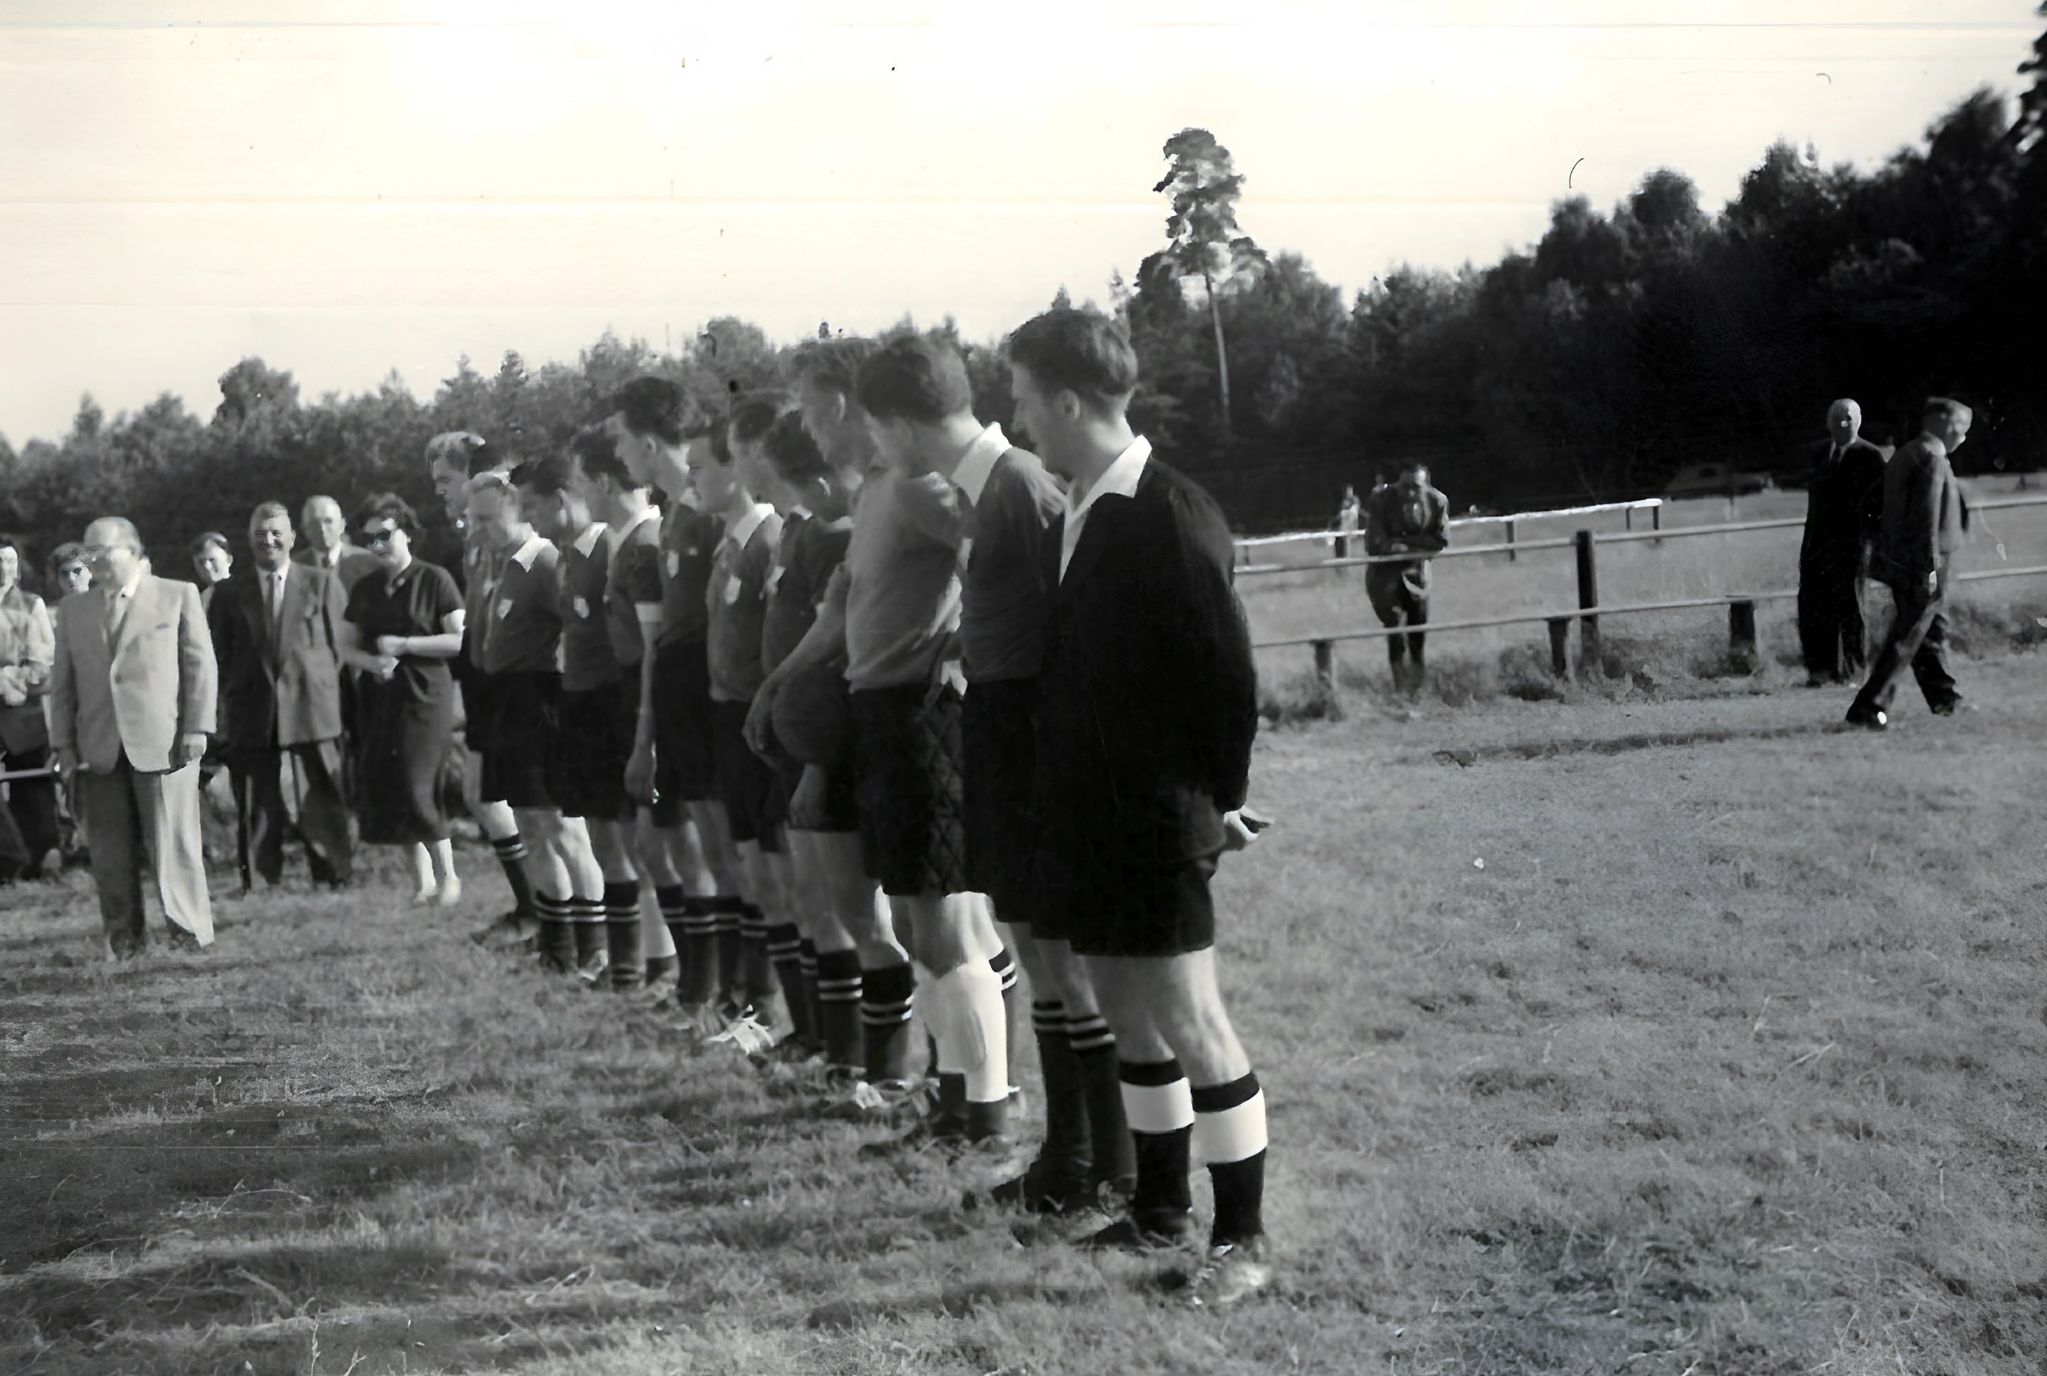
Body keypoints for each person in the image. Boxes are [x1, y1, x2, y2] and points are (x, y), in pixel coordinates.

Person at [1007, 308, 1271, 1307]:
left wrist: (1214, 802)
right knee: (1125, 1009)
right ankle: (1159, 1208)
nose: (1020, 415)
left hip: (1156, 814)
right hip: (1095, 813)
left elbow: (1226, 679)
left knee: (1190, 1016)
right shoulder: (1086, 498)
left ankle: (1242, 1239)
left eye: (1026, 397)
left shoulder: (1169, 509)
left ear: (1068, 400)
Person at [859, 333, 1134, 1212]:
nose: (876, 449)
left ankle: (1107, 1169)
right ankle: (1069, 1159)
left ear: (898, 425)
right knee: (1041, 962)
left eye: (874, 429)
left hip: (1040, 748)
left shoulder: (1013, 482)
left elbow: (1083, 619)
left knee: (1065, 969)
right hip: (1004, 737)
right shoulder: (984, 490)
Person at [756, 337, 1017, 1156]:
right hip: (881, 718)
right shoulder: (873, 492)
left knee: (942, 928)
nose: (803, 422)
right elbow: (840, 610)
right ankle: (951, 1102)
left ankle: (987, 1117)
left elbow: (1003, 549)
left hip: (922, 716)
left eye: (805, 403)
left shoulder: (915, 486)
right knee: (914, 925)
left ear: (839, 404)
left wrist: (962, 651)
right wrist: (778, 684)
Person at [746, 397, 921, 1102]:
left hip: (840, 748)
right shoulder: (808, 533)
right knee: (839, 910)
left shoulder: (836, 533)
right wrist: (773, 691)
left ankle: (884, 1071)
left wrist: (817, 762)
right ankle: (854, 1062)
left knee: (867, 917)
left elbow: (841, 652)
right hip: (814, 747)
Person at [607, 379, 757, 1034]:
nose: (617, 452)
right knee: (697, 848)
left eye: (619, 438)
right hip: (678, 691)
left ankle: (742, 996)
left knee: (720, 851)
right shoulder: (676, 511)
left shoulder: (706, 510)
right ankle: (712, 990)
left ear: (645, 440)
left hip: (707, 691)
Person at [48, 517, 218, 956]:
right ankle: (124, 942)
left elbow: (200, 668)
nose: (92, 561)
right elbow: (63, 686)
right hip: (98, 747)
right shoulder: (73, 610)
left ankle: (188, 935)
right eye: (88, 553)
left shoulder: (176, 594)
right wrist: (64, 747)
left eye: (101, 552)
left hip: (165, 743)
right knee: (108, 853)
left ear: (133, 551)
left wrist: (197, 726)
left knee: (172, 846)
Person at [466, 469, 608, 975]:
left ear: (515, 509)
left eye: (485, 517)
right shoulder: (497, 564)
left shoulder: (544, 560)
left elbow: (578, 627)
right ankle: (557, 947)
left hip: (540, 703)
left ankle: (594, 947)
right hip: (506, 705)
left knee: (562, 826)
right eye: (471, 517)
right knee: (530, 824)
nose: (476, 526)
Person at [427, 433, 541, 938]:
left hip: (511, 683)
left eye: (447, 480)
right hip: (482, 680)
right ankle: (532, 906)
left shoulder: (511, 541)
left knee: (514, 804)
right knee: (481, 795)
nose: (441, 493)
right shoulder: (472, 542)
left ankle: (545, 912)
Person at [206, 501, 354, 891]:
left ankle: (333, 872)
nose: (268, 541)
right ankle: (258, 879)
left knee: (321, 794)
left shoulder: (320, 581)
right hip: (251, 707)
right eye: (259, 535)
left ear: (291, 538)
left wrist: (313, 682)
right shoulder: (227, 593)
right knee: (255, 799)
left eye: (275, 534)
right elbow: (218, 653)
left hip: (312, 704)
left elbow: (342, 649)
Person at [340, 493, 466, 901]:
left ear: (407, 533)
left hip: (426, 695)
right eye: (370, 538)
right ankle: (422, 881)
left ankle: (449, 876)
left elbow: (458, 640)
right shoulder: (365, 588)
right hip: (379, 699)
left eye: (384, 535)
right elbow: (345, 646)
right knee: (393, 783)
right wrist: (372, 663)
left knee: (419, 782)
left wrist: (407, 645)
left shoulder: (435, 579)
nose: (378, 545)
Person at [1846, 398, 1972, 730]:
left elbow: (1870, 501)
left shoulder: (1908, 452)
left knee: (1932, 631)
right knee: (1908, 635)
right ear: (1942, 421)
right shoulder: (1931, 456)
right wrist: (1928, 566)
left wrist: (1882, 543)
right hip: (1925, 562)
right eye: (1962, 426)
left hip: (1905, 558)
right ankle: (1869, 706)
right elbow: (1926, 517)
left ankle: (1945, 699)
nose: (1964, 435)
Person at [1797, 400, 1887, 687]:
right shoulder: (1817, 453)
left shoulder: (1870, 456)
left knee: (1851, 611)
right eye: (1837, 418)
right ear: (1828, 422)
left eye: (1848, 418)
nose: (1842, 423)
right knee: (1813, 609)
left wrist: (1870, 545)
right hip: (1816, 547)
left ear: (1859, 421)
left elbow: (1880, 506)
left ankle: (1854, 672)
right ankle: (1820, 672)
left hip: (1852, 548)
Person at [1364, 462, 1450, 701]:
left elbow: (1440, 542)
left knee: (1417, 634)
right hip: (1384, 576)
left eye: (1415, 487)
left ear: (1426, 485)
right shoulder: (1381, 500)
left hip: (1418, 575)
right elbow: (1375, 544)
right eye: (1404, 487)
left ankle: (1417, 691)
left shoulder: (1437, 501)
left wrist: (1403, 546)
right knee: (1396, 632)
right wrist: (1417, 545)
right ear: (1396, 484)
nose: (1409, 493)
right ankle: (1400, 691)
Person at [0, 535, 60, 881]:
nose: (3, 568)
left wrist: (10, 679)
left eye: (9, 561)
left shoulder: (31, 604)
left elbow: (44, 662)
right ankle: (9, 859)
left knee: (32, 788)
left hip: (23, 710)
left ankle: (42, 859)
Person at [295, 495, 382, 593]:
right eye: (314, 523)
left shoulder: (368, 562)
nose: (322, 529)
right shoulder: (294, 569)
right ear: (304, 530)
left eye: (328, 521)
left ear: (342, 525)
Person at [189, 533, 233, 611]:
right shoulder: (196, 599)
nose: (207, 566)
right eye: (201, 562)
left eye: (212, 560)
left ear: (229, 560)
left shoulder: (245, 592)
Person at [1333, 484, 1362, 565]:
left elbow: (1354, 513)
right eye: (1346, 490)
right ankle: (1341, 559)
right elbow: (1340, 513)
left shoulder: (1355, 499)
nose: (1347, 492)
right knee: (1341, 542)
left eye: (1349, 490)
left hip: (1350, 525)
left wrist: (1345, 514)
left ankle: (1348, 560)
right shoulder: (1344, 500)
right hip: (1343, 525)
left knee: (1347, 542)